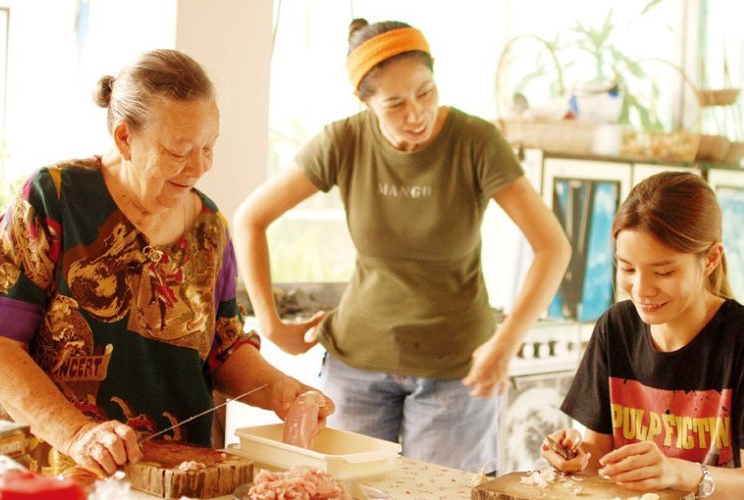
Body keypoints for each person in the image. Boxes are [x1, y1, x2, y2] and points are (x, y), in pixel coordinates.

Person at [0, 49, 334, 475]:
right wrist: (77, 434)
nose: (198, 167)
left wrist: (280, 390)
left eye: (208, 148)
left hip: (171, 474)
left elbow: (223, 348)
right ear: (125, 138)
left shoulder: (210, 227)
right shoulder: (54, 199)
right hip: (47, 470)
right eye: (178, 151)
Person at [233, 19, 570, 473]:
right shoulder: (343, 140)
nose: (416, 114)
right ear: (365, 100)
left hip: (456, 369)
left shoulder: (476, 142)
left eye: (426, 92)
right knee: (342, 488)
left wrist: (506, 345)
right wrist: (270, 326)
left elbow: (552, 247)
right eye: (394, 103)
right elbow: (250, 218)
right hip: (355, 365)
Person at [541, 172, 744, 499]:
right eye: (628, 268)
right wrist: (576, 458)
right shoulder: (615, 328)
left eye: (664, 271)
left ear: (711, 260)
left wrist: (677, 471)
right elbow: (602, 458)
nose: (641, 289)